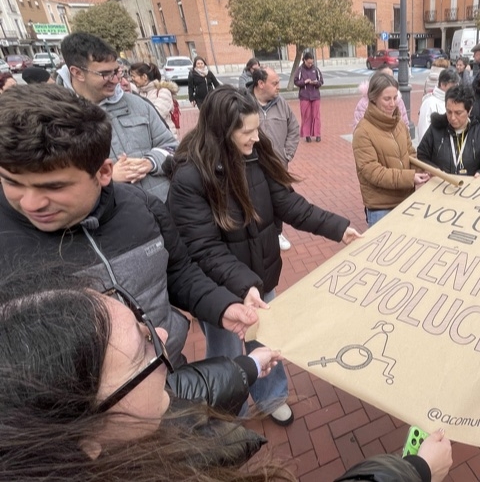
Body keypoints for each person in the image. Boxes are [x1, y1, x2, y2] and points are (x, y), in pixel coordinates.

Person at [0, 268, 452, 481]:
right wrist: (411, 470)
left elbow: (176, 394)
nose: (161, 330)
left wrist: (246, 366)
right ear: (86, 439)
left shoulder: (125, 426)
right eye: (142, 349)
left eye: (141, 321)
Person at [0, 84, 263, 366]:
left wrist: (222, 307)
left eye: (53, 187)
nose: (30, 203)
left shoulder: (143, 207)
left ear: (103, 172)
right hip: (84, 408)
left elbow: (179, 272)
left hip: (168, 368)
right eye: (12, 182)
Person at [167, 87, 361, 425]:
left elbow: (289, 204)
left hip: (260, 277)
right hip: (219, 291)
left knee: (268, 342)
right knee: (226, 353)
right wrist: (243, 287)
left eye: (257, 129)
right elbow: (203, 248)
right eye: (247, 131)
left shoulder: (256, 155)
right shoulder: (190, 177)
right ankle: (230, 414)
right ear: (221, 131)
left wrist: (339, 228)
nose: (256, 137)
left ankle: (272, 398)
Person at [55, 32, 176, 202]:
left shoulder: (138, 104)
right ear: (77, 73)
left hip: (163, 207)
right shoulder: (56, 117)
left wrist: (151, 162)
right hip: (110, 218)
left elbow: (172, 147)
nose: (115, 80)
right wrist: (106, 177)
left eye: (117, 72)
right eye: (105, 74)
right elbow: (56, 180)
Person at [353, 72, 430, 227]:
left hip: (406, 200)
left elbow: (410, 153)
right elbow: (373, 172)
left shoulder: (399, 124)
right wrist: (410, 178)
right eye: (387, 99)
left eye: (395, 98)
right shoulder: (363, 131)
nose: (392, 103)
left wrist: (423, 171)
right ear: (373, 98)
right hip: (381, 207)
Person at [250, 67, 300, 252]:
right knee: (254, 202)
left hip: (278, 167)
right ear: (261, 84)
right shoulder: (244, 104)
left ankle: (277, 233)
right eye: (275, 83)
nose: (279, 87)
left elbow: (294, 129)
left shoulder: (282, 104)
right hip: (252, 168)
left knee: (278, 200)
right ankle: (257, 237)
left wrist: (287, 155)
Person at [417, 84, 480, 178]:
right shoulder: (436, 128)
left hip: (470, 188)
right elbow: (421, 156)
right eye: (449, 112)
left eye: (458, 113)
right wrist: (433, 170)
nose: (452, 118)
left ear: (469, 110)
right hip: (439, 185)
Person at [129, 62, 179, 135]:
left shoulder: (162, 92)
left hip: (165, 135)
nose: (132, 79)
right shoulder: (138, 93)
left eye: (133, 76)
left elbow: (157, 114)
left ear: (144, 77)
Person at [417, 68, 460, 144]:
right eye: (453, 86)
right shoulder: (429, 103)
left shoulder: (455, 101)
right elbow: (423, 133)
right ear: (443, 84)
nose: (456, 89)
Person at [294, 51, 324, 142]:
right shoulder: (300, 70)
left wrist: (315, 83)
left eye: (312, 62)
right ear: (304, 60)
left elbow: (321, 81)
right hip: (304, 96)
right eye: (308, 62)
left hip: (315, 96)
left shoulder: (316, 69)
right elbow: (296, 81)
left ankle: (317, 134)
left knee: (316, 115)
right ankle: (307, 135)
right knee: (306, 116)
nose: (310, 64)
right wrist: (304, 82)